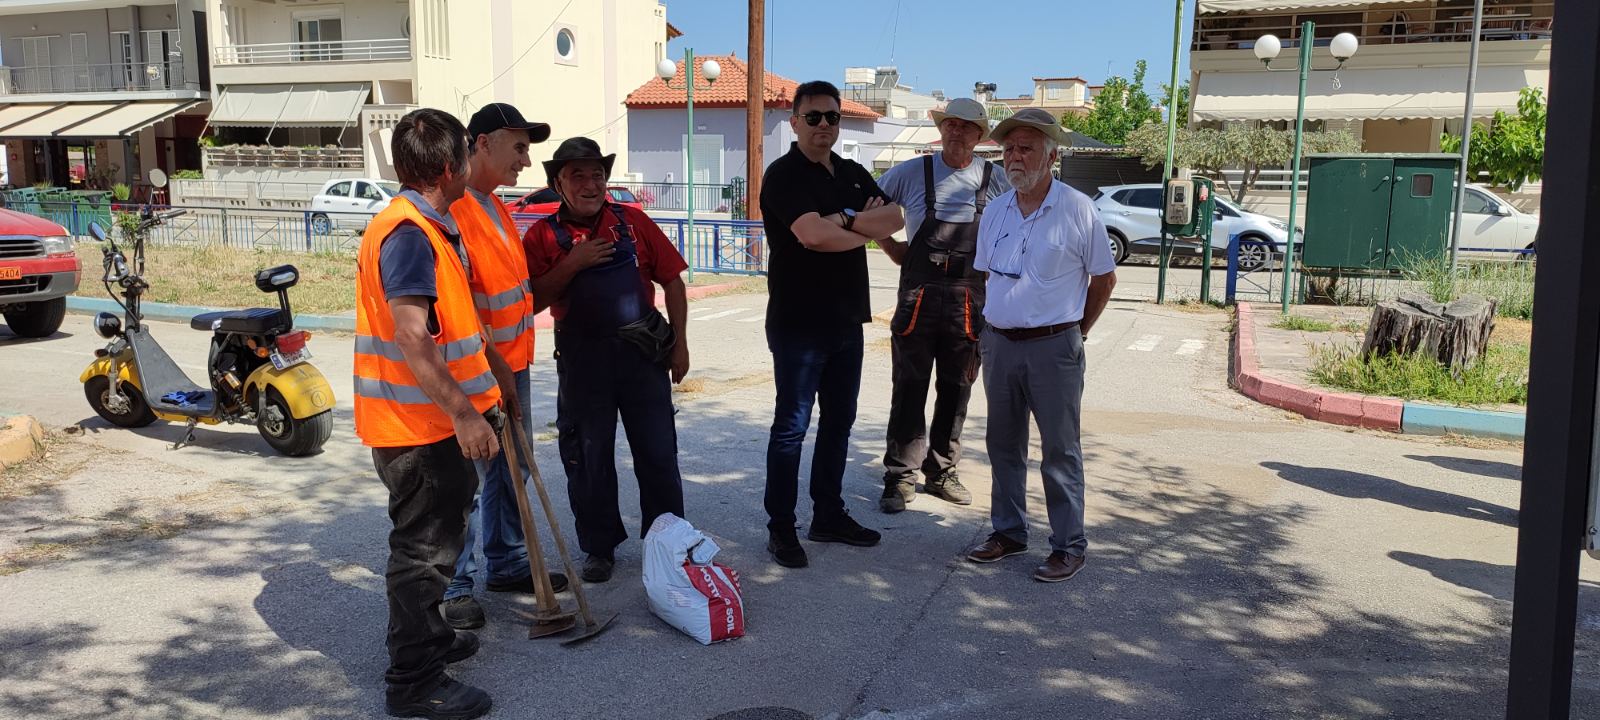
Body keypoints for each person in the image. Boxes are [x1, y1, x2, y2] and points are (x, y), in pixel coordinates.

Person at [353, 108, 499, 719]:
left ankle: (432, 642)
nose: (472, 164)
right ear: (449, 167)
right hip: (421, 429)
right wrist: (466, 415)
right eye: (467, 154)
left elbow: (449, 330)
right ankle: (413, 683)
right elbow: (414, 335)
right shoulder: (409, 233)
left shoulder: (426, 225)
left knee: (438, 542)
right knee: (423, 553)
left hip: (427, 421)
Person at [523, 136, 690, 584]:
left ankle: (667, 541)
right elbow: (532, 299)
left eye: (597, 173)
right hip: (582, 360)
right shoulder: (542, 235)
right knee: (588, 457)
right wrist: (573, 263)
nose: (591, 183)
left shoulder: (633, 222)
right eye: (578, 174)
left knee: (658, 454)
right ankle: (599, 548)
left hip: (642, 356)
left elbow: (672, 280)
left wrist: (681, 343)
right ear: (558, 183)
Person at [964, 107, 1117, 584]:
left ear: (1051, 156)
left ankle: (1069, 545)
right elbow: (987, 275)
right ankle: (1008, 532)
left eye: (1025, 148)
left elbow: (1104, 279)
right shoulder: (995, 209)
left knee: (1059, 450)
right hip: (1001, 346)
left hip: (1054, 347)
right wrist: (986, 337)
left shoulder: (1077, 208)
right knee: (1002, 444)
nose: (1014, 157)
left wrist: (1076, 332)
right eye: (1008, 148)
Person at [759, 80, 905, 568]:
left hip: (846, 321)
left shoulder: (852, 171)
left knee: (839, 423)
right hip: (799, 323)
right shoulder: (783, 175)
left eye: (832, 117)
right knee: (791, 428)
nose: (825, 125)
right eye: (815, 116)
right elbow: (810, 235)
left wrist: (840, 222)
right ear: (795, 121)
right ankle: (781, 528)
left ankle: (828, 515)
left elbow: (895, 217)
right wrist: (853, 224)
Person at [441, 102, 567, 631]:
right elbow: (459, 302)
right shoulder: (454, 210)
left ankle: (508, 561)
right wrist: (489, 367)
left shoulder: (495, 206)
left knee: (510, 467)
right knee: (466, 476)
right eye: (518, 147)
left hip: (512, 364)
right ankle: (454, 584)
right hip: (475, 368)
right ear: (483, 143)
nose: (525, 160)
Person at [873, 97, 1010, 514]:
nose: (957, 132)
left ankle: (941, 470)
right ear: (942, 128)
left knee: (958, 388)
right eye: (951, 124)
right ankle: (899, 476)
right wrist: (891, 247)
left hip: (970, 299)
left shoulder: (997, 179)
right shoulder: (912, 171)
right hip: (920, 296)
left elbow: (1018, 224)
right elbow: (870, 207)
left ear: (979, 135)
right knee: (909, 386)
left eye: (967, 127)